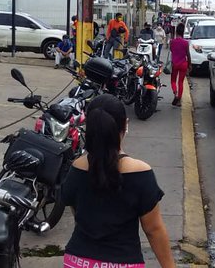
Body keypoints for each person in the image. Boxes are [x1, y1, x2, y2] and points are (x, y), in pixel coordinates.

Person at [61, 94, 175, 268]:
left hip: (77, 261)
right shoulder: (140, 172)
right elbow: (153, 230)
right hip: (123, 262)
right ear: (125, 125)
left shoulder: (77, 167)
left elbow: (78, 213)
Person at [169, 23, 191, 107]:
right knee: (180, 82)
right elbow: (188, 54)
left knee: (173, 81)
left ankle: (175, 93)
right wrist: (190, 64)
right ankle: (179, 99)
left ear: (176, 32)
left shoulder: (172, 42)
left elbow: (171, 51)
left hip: (175, 64)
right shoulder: (186, 43)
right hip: (183, 64)